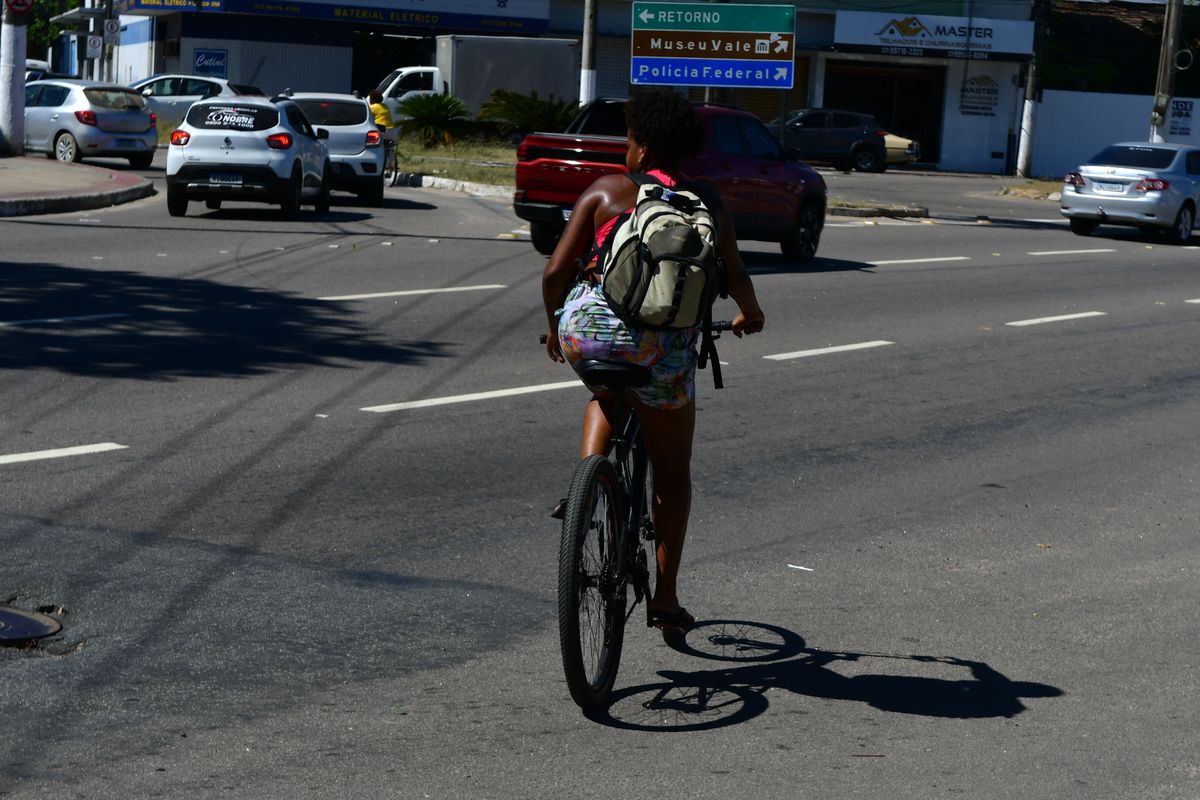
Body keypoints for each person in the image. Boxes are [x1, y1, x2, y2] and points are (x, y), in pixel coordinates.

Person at [541, 90, 765, 633]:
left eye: (629, 140)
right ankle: (665, 599)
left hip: (590, 334)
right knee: (671, 472)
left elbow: (554, 274)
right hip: (664, 350)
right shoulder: (707, 201)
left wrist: (554, 327)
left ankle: (586, 492)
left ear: (641, 149)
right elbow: (734, 273)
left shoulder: (607, 190)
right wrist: (751, 313)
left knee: (606, 391)